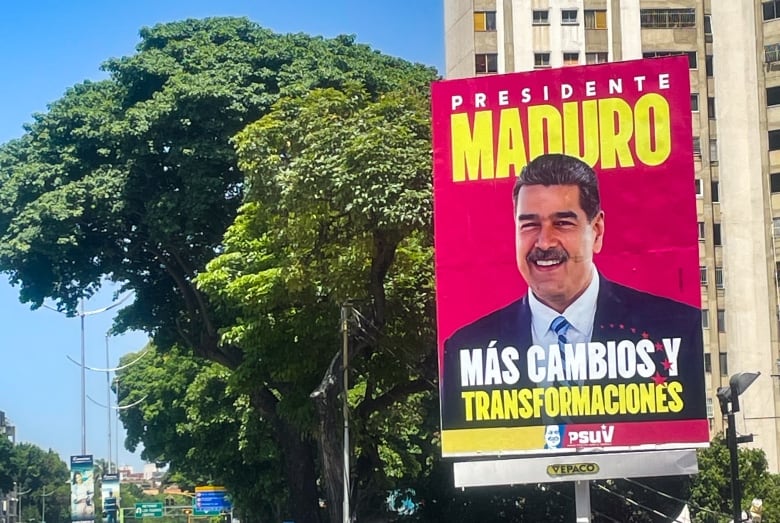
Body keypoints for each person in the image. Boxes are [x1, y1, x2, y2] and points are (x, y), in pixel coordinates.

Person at [440, 153, 705, 430]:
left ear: (597, 231)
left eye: (562, 223)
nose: (544, 243)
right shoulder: (467, 349)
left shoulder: (677, 330)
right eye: (529, 225)